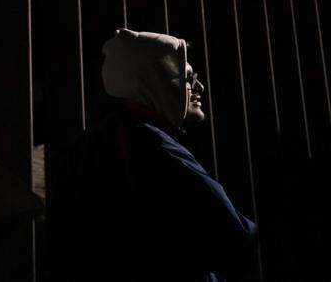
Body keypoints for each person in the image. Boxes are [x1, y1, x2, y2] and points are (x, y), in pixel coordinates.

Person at [48, 28, 258, 281]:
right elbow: (235, 236)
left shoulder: (95, 143)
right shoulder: (156, 147)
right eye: (186, 77)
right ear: (154, 81)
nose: (198, 87)